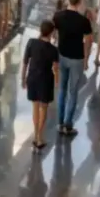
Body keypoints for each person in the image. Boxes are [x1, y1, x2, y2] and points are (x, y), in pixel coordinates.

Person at [53, 0, 93, 137]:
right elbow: (88, 40)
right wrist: (87, 58)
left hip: (62, 55)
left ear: (68, 1)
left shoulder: (58, 16)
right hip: (77, 58)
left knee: (62, 89)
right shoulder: (83, 21)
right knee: (73, 91)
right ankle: (68, 124)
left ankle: (59, 122)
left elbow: (54, 32)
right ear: (79, 3)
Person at [23, 20, 60, 149]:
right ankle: (39, 136)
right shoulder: (53, 50)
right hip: (45, 80)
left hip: (32, 78)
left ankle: (36, 135)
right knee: (43, 108)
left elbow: (25, 63)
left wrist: (23, 79)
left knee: (35, 106)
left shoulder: (31, 43)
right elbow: (55, 68)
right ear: (51, 33)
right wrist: (56, 81)